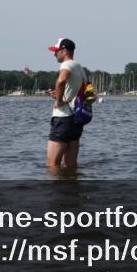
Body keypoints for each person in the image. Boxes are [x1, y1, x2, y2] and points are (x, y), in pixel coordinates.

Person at [45, 38, 88, 172]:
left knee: (52, 165)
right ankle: (72, 191)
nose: (54, 54)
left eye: (56, 51)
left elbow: (61, 81)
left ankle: (57, 192)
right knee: (71, 165)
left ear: (64, 51)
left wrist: (58, 101)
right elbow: (77, 92)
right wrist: (58, 95)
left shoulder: (66, 65)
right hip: (76, 119)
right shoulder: (79, 68)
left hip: (63, 118)